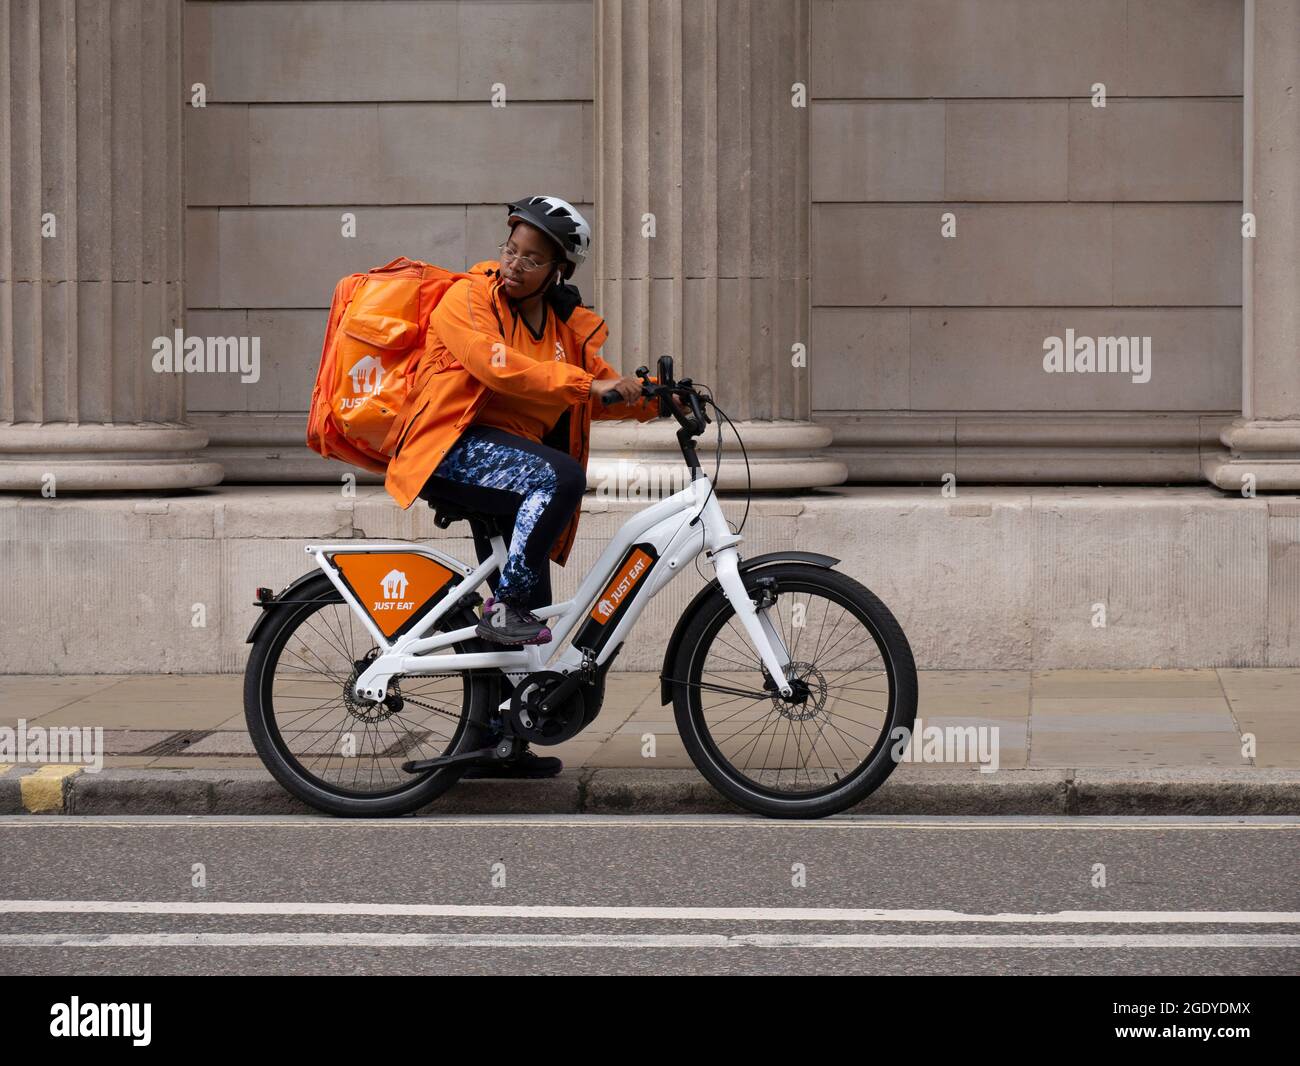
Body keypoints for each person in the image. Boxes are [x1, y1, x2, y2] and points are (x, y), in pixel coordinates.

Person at [380, 195, 682, 778]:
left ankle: (495, 741)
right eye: (510, 250)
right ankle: (508, 606)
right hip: (449, 449)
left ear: (559, 270)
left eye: (531, 259)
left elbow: (591, 392)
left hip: (508, 464)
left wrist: (649, 399)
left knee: (535, 596)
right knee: (560, 480)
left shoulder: (563, 332)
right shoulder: (467, 298)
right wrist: (590, 388)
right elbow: (495, 364)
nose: (514, 265)